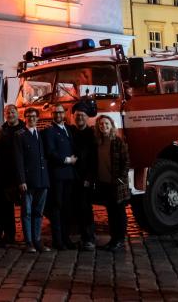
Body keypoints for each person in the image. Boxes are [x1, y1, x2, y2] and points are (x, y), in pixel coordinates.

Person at [14, 107, 50, 253]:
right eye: (29, 116)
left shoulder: (40, 134)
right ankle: (29, 241)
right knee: (27, 213)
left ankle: (37, 239)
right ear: (24, 118)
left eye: (34, 116)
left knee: (38, 212)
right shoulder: (20, 135)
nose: (31, 119)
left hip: (42, 179)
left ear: (37, 118)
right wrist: (21, 180)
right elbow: (18, 159)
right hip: (28, 180)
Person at [44, 104, 78, 250]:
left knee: (67, 208)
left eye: (60, 112)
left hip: (69, 175)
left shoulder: (68, 129)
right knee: (57, 208)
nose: (58, 115)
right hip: (57, 174)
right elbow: (51, 152)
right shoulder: (49, 131)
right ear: (52, 114)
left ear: (64, 113)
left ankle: (66, 238)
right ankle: (58, 241)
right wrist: (67, 160)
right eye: (55, 113)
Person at [94, 114, 130, 252]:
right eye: (101, 124)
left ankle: (119, 240)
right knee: (110, 212)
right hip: (105, 183)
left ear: (111, 126)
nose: (104, 126)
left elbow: (126, 161)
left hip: (116, 183)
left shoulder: (118, 142)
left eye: (106, 124)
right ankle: (113, 239)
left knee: (119, 212)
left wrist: (121, 178)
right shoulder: (99, 142)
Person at [70, 101, 98, 250]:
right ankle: (82, 237)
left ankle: (89, 238)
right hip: (72, 176)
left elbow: (94, 159)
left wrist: (89, 178)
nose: (79, 117)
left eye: (82, 115)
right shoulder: (71, 132)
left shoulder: (91, 134)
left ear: (87, 118)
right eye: (77, 115)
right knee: (76, 208)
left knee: (86, 208)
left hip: (85, 177)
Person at [0, 104, 24, 247]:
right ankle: (9, 235)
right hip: (6, 175)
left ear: (17, 113)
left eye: (12, 112)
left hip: (22, 175)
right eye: (7, 112)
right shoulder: (2, 130)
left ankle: (28, 236)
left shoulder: (24, 129)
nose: (10, 114)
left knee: (26, 208)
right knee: (6, 208)